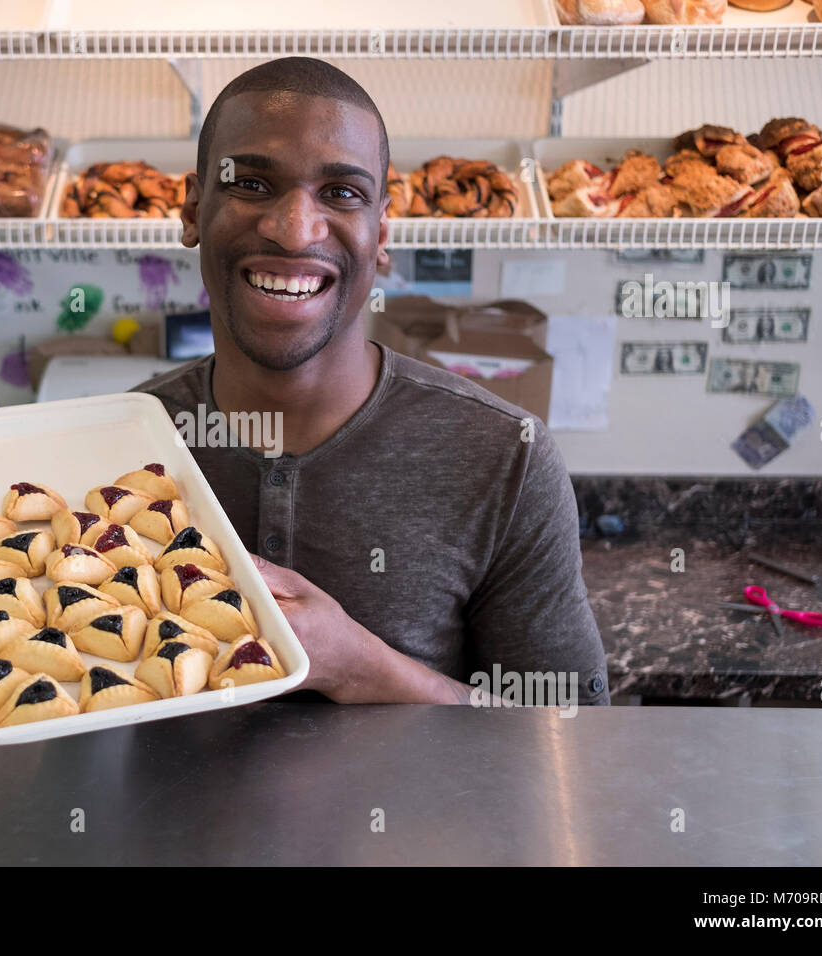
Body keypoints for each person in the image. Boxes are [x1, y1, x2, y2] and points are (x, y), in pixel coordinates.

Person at [136, 57, 609, 706]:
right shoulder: (119, 447)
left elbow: (573, 737)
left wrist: (366, 670)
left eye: (341, 193)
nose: (294, 229)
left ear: (381, 234)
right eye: (250, 184)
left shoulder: (504, 458)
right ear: (192, 209)